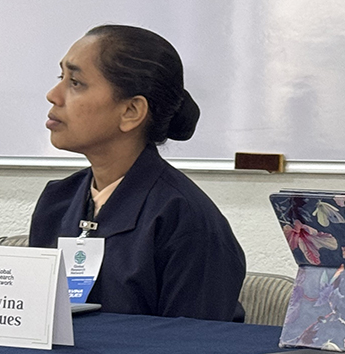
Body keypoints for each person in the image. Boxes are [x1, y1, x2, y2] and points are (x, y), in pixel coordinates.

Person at [29, 25, 246, 322]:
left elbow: (192, 352)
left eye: (76, 82)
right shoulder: (58, 202)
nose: (53, 95)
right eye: (60, 77)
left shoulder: (186, 220)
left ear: (131, 111)